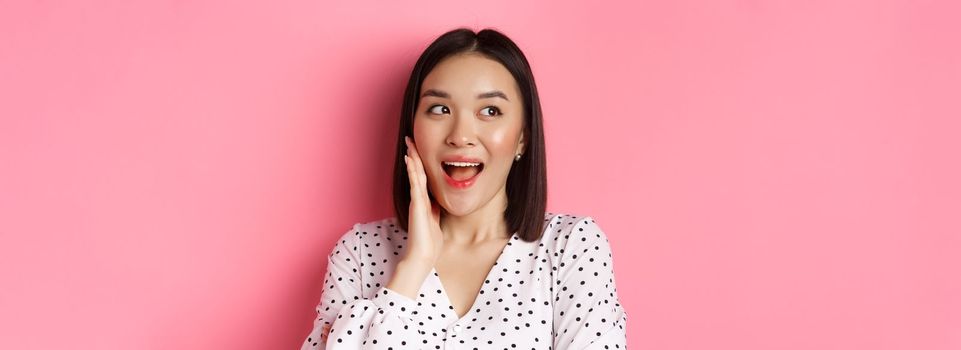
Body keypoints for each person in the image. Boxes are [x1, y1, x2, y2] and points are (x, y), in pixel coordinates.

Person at [300, 27, 627, 349]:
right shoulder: (359, 253)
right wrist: (414, 267)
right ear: (412, 129)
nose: (460, 134)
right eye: (440, 109)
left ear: (523, 138)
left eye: (490, 111)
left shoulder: (570, 247)